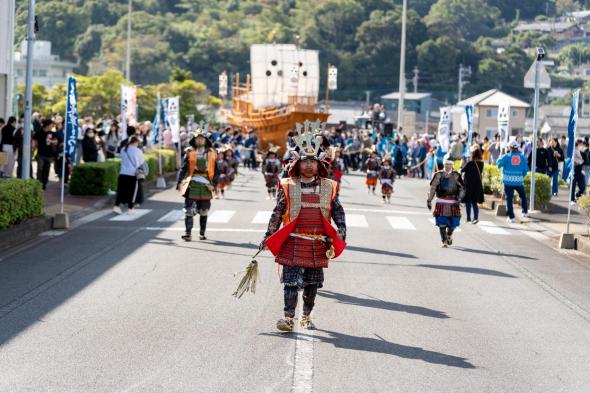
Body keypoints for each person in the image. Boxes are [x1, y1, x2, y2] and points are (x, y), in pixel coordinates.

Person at [261, 122, 346, 332]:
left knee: (311, 285)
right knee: (290, 283)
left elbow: (338, 213)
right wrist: (268, 235)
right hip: (292, 240)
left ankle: (306, 316)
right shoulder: (287, 185)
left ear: (319, 165)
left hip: (318, 243)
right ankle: (288, 318)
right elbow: (277, 212)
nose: (308, 166)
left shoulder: (329, 186)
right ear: (297, 164)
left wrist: (341, 234)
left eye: (312, 162)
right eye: (305, 162)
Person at [176, 130, 218, 241]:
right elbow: (184, 168)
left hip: (206, 184)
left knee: (204, 210)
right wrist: (179, 180)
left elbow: (216, 170)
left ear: (205, 140)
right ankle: (188, 233)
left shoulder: (211, 153)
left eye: (202, 138)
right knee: (189, 210)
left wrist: (214, 184)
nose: (199, 140)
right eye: (197, 138)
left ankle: (202, 233)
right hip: (192, 183)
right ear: (194, 140)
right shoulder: (190, 152)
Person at [427, 154, 465, 247]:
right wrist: (429, 200)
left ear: (452, 165)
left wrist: (459, 198)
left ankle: (449, 235)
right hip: (441, 202)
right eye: (446, 164)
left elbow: (462, 189)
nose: (447, 166)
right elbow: (433, 188)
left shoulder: (456, 175)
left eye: (449, 164)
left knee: (453, 224)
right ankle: (444, 240)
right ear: (444, 164)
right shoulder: (438, 174)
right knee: (441, 223)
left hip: (453, 203)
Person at [113, 136, 147, 214]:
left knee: (120, 191)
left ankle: (116, 206)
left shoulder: (123, 149)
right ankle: (130, 209)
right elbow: (141, 163)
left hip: (122, 173)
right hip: (133, 174)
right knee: (132, 192)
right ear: (136, 142)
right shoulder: (138, 151)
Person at [497, 140, 529, 223]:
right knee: (522, 196)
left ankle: (512, 218)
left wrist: (500, 156)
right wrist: (520, 176)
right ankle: (525, 211)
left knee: (509, 199)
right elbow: (525, 170)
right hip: (519, 181)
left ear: (510, 147)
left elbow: (498, 165)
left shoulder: (506, 156)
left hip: (508, 182)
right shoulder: (522, 157)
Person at [461, 146, 485, 224]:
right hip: (477, 186)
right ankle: (476, 218)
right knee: (474, 202)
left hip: (468, 185)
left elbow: (462, 170)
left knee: (468, 202)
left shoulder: (470, 163)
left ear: (473, 155)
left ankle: (468, 218)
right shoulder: (481, 164)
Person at [33, 119, 58, 189]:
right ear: (47, 125)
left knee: (46, 170)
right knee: (40, 169)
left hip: (49, 155)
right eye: (51, 125)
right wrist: (33, 149)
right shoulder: (38, 133)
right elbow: (34, 142)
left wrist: (51, 141)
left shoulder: (52, 133)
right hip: (40, 154)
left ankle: (44, 184)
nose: (52, 126)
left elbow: (56, 142)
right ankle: (38, 183)